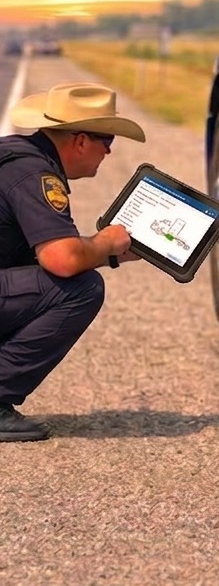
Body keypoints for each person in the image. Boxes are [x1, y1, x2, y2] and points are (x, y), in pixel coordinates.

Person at [0, 82, 146, 442]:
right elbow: (62, 260)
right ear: (80, 141)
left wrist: (110, 253)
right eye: (106, 141)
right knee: (80, 289)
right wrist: (104, 241)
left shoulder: (15, 156)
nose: (109, 152)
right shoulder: (36, 174)